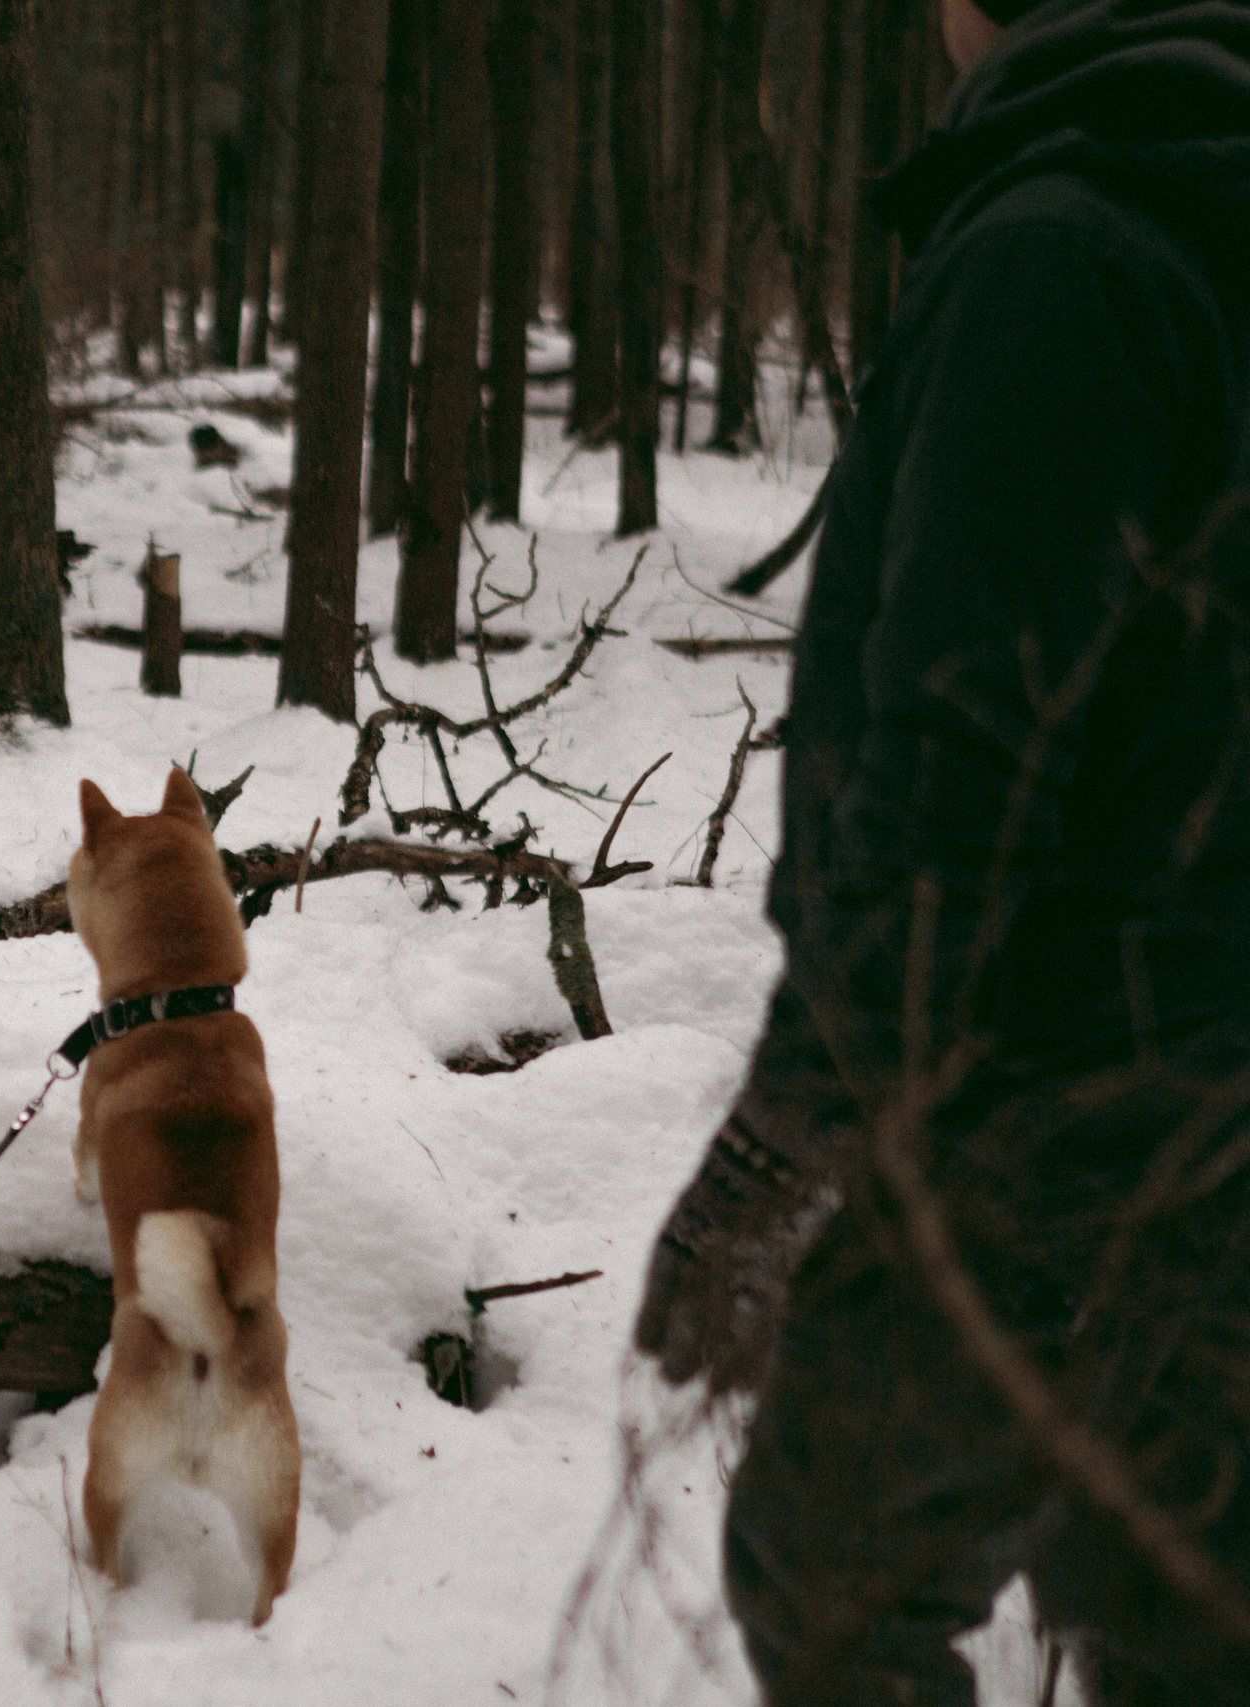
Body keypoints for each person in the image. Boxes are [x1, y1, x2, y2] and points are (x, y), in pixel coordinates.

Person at [635, 1, 1250, 1701]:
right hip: (1209, 1107)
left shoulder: (1062, 253)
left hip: (1057, 1104)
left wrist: (796, 1126)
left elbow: (965, 756)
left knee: (834, 1573)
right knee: (1174, 1608)